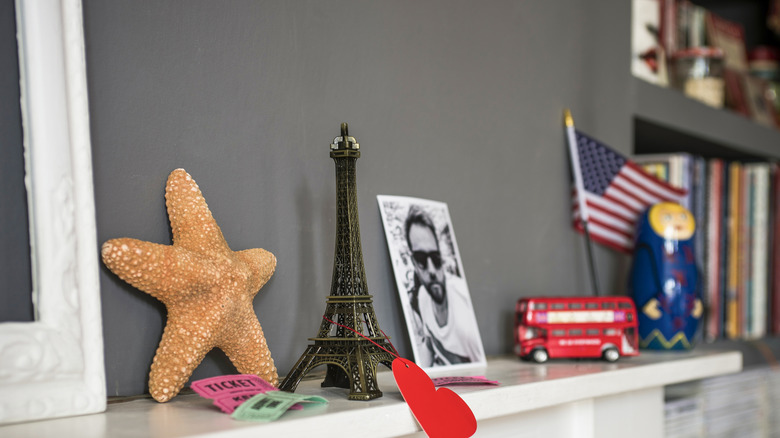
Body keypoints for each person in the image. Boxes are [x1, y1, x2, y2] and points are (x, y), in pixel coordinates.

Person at [404, 205, 484, 367]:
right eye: (421, 259)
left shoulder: (463, 305)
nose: (432, 270)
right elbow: (429, 343)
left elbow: (481, 371)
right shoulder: (423, 297)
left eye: (435, 257)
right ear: (413, 262)